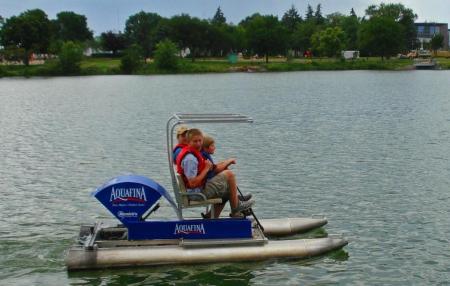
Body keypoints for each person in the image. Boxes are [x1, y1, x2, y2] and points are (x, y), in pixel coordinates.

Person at [176, 128, 254, 218]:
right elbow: (192, 183)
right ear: (189, 142)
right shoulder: (190, 159)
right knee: (229, 174)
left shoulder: (194, 154)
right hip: (195, 194)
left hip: (196, 190)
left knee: (226, 191)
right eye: (195, 141)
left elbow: (211, 168)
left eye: (200, 141)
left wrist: (210, 168)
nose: (198, 144)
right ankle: (236, 208)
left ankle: (212, 217)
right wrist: (206, 169)